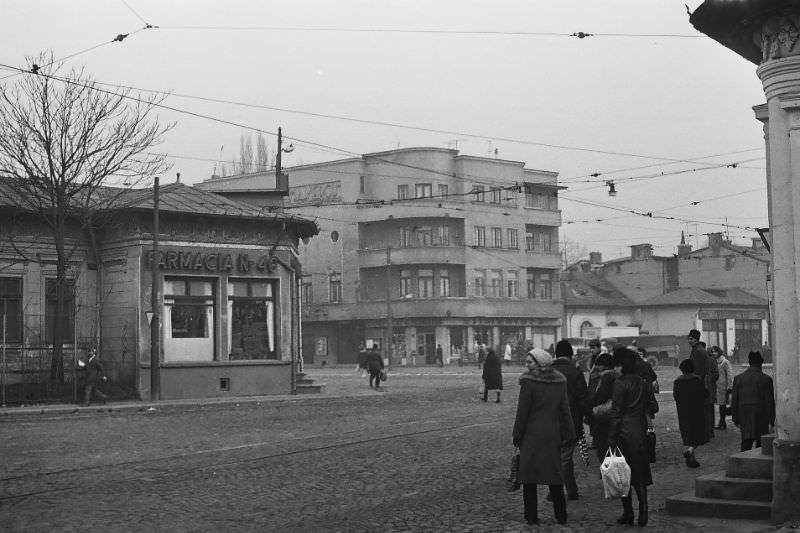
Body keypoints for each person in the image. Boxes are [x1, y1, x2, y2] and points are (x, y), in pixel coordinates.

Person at [512, 348, 575, 526]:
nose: (526, 365)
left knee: (529, 477)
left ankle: (531, 516)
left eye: (529, 362)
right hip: (551, 434)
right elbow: (565, 410)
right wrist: (570, 433)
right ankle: (561, 515)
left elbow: (522, 413)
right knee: (554, 476)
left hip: (531, 434)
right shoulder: (559, 381)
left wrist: (517, 435)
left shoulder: (528, 382)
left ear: (540, 363)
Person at [608, 347, 659, 527]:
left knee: (623, 475)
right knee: (640, 473)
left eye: (616, 366)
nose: (614, 369)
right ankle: (643, 510)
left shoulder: (620, 383)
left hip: (623, 433)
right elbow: (654, 407)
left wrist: (612, 437)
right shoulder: (644, 383)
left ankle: (628, 512)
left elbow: (616, 412)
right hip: (640, 431)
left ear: (622, 366)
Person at [551, 339, 588, 500]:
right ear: (570, 354)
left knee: (553, 456)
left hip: (550, 419)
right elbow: (583, 398)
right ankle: (568, 490)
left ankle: (555, 490)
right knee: (566, 457)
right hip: (571, 419)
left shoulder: (549, 371)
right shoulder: (575, 372)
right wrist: (588, 418)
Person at [731, 351, 775, 451]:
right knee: (762, 447)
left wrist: (735, 418)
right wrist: (772, 420)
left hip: (745, 415)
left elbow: (734, 400)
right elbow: (770, 402)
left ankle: (743, 464)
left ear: (749, 362)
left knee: (746, 444)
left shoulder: (738, 379)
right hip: (762, 416)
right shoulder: (766, 379)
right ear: (761, 363)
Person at [673, 359, 707, 468]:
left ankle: (692, 460)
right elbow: (704, 394)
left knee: (689, 435)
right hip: (696, 411)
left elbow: (676, 397)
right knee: (698, 435)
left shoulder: (677, 381)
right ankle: (690, 451)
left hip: (683, 412)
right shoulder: (697, 380)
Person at [687, 329, 719, 441]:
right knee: (706, 410)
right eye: (688, 338)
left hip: (700, 386)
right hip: (703, 386)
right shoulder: (698, 350)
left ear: (696, 339)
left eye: (691, 339)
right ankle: (707, 433)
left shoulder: (698, 351)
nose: (689, 341)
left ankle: (706, 433)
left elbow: (698, 372)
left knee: (704, 411)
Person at [586, 352, 616, 459]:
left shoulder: (607, 377)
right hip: (609, 416)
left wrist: (589, 404)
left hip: (605, 416)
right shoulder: (611, 375)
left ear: (605, 365)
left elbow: (599, 396)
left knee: (603, 446)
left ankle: (607, 471)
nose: (597, 367)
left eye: (599, 364)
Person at [711, 346, 733, 429]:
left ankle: (722, 422)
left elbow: (730, 375)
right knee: (721, 405)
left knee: (722, 405)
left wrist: (730, 386)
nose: (714, 353)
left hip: (724, 387)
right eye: (712, 352)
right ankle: (722, 422)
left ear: (719, 352)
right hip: (717, 386)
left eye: (715, 351)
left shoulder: (725, 362)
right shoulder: (714, 362)